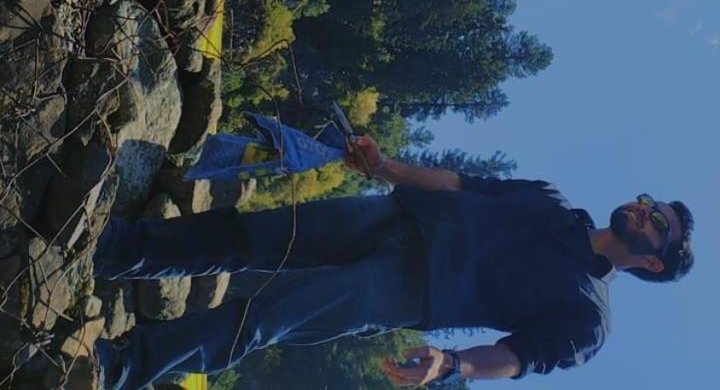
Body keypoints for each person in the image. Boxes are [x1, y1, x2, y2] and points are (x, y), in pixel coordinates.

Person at [90, 134, 694, 389]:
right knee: (252, 235)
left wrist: (451, 364)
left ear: (655, 265)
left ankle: (117, 366)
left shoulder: (589, 321)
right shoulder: (551, 200)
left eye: (657, 223)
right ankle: (114, 249)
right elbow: (460, 184)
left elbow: (518, 357)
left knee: (266, 317)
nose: (643, 212)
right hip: (394, 216)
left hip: (405, 290)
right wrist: (384, 168)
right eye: (649, 203)